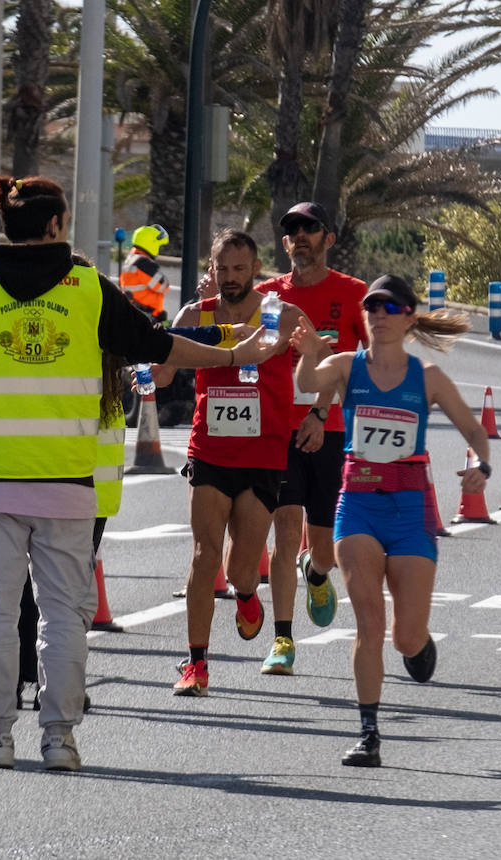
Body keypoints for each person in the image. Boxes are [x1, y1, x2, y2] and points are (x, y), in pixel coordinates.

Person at [0, 176, 269, 771]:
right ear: (56, 224)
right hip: (67, 484)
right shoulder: (86, 287)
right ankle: (60, 739)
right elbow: (157, 346)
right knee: (63, 618)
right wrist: (236, 355)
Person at [290, 274, 490, 768]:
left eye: (389, 307)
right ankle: (369, 733)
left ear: (407, 317)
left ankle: (419, 645)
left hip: (410, 512)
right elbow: (305, 385)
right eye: (371, 307)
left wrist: (480, 468)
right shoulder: (345, 367)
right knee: (370, 623)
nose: (378, 315)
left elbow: (474, 430)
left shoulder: (428, 379)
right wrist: (311, 352)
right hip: (357, 505)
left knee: (404, 636)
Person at [154, 229, 305, 697]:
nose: (232, 278)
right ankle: (196, 665)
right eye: (224, 269)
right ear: (212, 269)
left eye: (241, 269)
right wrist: (153, 361)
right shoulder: (195, 313)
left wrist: (318, 410)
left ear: (255, 269)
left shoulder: (278, 311)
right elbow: (160, 372)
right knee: (204, 557)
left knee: (242, 567)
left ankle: (245, 594)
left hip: (262, 454)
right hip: (210, 450)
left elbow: (292, 352)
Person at [256, 201, 368, 677]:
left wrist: (324, 413)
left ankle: (316, 571)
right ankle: (282, 640)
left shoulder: (353, 292)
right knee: (283, 531)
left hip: (332, 432)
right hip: (280, 432)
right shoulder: (268, 297)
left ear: (328, 238)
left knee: (325, 548)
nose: (300, 235)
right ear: (284, 244)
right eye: (292, 230)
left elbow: (366, 361)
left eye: (310, 228)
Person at [119, 224, 172, 322]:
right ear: (151, 244)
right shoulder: (143, 263)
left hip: (134, 312)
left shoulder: (131, 259)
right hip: (145, 315)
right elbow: (163, 285)